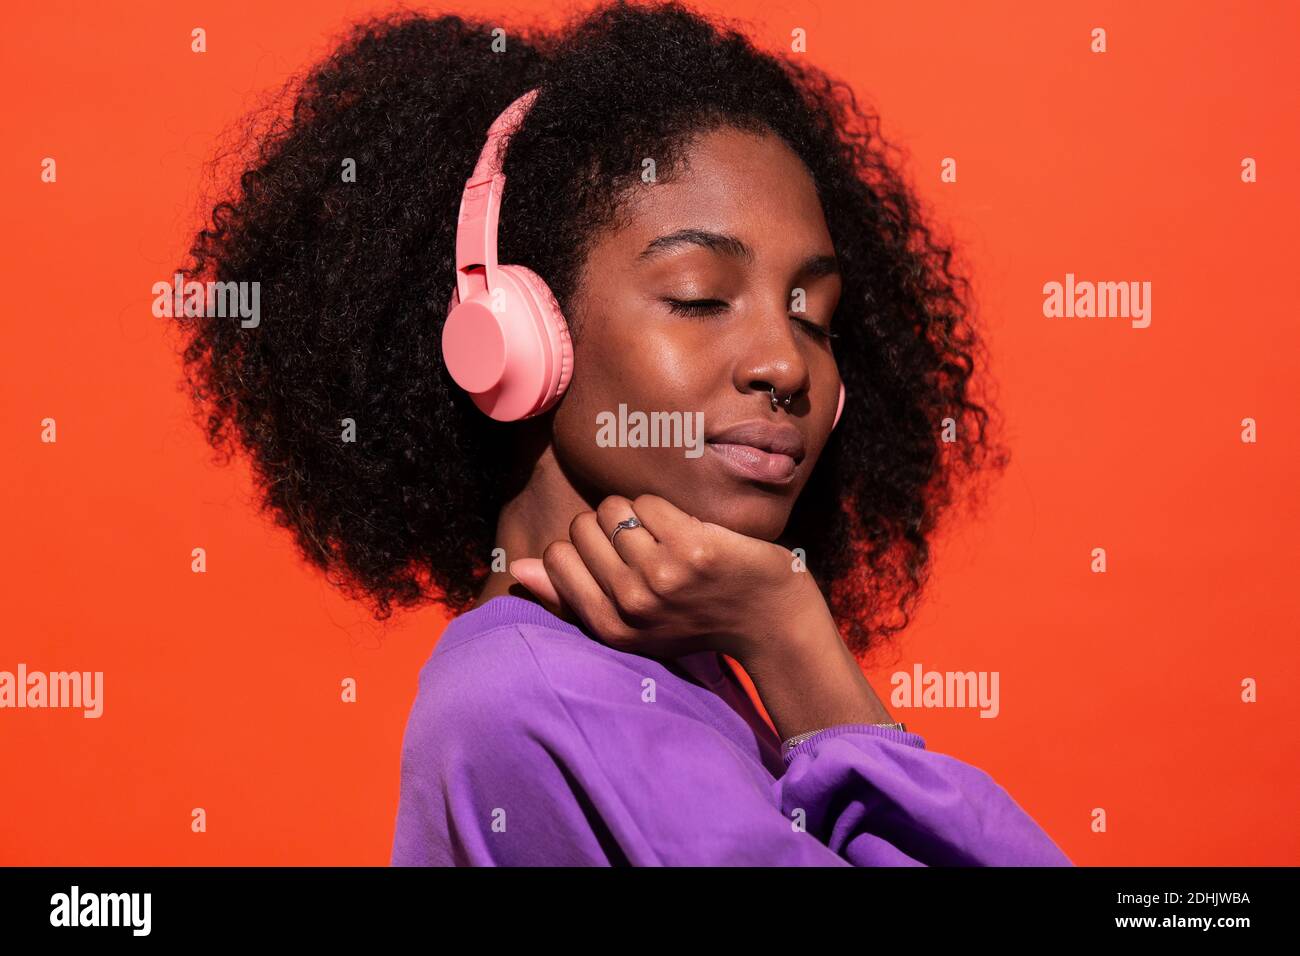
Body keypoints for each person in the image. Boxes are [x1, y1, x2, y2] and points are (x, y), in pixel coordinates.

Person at [170, 0, 1072, 866]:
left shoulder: (654, 674)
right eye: (698, 298)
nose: (788, 367)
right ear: (514, 338)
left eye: (814, 316)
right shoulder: (551, 704)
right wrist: (795, 636)